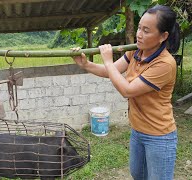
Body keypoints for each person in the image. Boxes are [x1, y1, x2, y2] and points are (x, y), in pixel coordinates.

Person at [72, 5, 180, 180]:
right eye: (139, 28)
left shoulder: (165, 64)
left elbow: (127, 90)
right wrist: (86, 65)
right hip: (138, 131)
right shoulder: (136, 51)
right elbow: (112, 71)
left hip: (160, 136)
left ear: (163, 36)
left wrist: (107, 60)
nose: (139, 34)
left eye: (146, 31)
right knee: (138, 175)